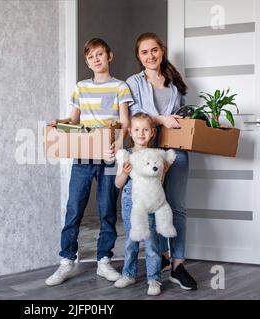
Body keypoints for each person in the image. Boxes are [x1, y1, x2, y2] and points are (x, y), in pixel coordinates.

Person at [45, 38, 133, 286]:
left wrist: (119, 140)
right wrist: (58, 123)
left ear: (110, 56)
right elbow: (74, 121)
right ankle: (66, 261)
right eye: (91, 56)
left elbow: (125, 122)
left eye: (100, 54)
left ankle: (104, 261)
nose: (96, 59)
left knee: (107, 209)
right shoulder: (81, 87)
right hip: (83, 157)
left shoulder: (120, 87)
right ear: (87, 61)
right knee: (74, 208)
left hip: (108, 157)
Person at [126, 32, 198, 290]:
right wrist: (159, 120)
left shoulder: (174, 82)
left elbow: (183, 115)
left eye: (154, 50)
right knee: (150, 205)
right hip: (148, 154)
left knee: (176, 207)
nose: (150, 55)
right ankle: (161, 261)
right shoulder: (133, 82)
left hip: (176, 151)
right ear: (139, 56)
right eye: (144, 52)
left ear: (162, 50)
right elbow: (134, 118)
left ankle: (177, 265)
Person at [114, 112, 171, 296]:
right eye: (137, 129)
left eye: (145, 130)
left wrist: (163, 172)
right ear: (130, 132)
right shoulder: (125, 155)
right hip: (131, 204)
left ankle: (154, 279)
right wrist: (123, 172)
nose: (141, 133)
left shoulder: (156, 156)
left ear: (152, 133)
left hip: (151, 203)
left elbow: (158, 185)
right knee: (131, 242)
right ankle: (128, 274)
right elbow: (118, 183)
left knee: (151, 243)